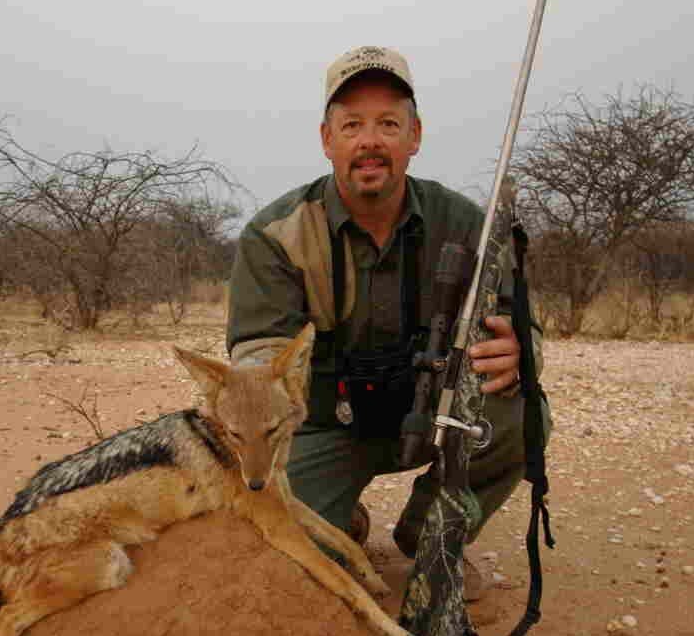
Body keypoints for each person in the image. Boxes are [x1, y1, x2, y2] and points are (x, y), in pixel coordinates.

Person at [226, 46, 549, 598]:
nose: (370, 141)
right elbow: (257, 366)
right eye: (352, 125)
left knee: (525, 413)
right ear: (327, 140)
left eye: (388, 124)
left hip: (433, 418)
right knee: (273, 554)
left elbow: (522, 329)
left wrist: (522, 351)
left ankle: (432, 537)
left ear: (415, 136)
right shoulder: (274, 235)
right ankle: (337, 518)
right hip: (327, 425)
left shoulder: (469, 224)